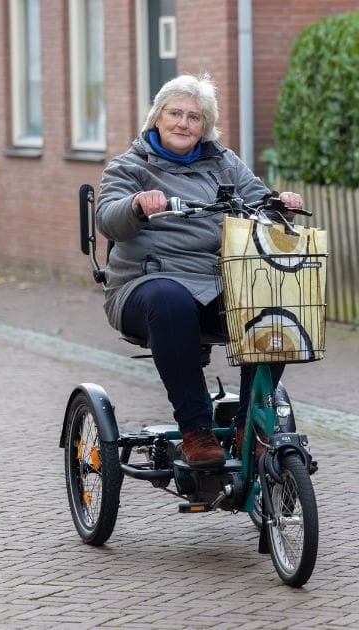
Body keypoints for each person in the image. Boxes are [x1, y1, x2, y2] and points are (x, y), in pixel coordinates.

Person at [96, 73, 302, 468]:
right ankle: (195, 430)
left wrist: (280, 205)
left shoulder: (223, 164)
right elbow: (108, 219)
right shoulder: (130, 166)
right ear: (157, 117)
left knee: (275, 296)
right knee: (170, 299)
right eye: (175, 113)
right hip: (145, 284)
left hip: (215, 282)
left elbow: (260, 202)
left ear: (205, 126)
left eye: (194, 117)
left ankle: (250, 423)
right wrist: (137, 205)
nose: (183, 123)